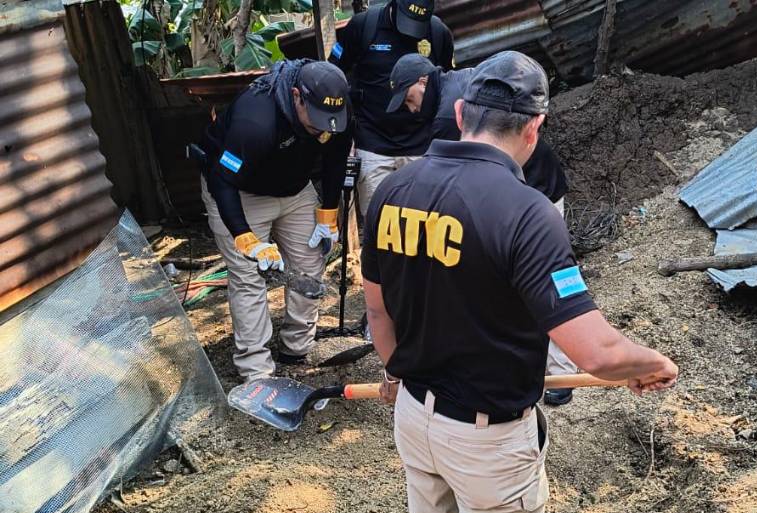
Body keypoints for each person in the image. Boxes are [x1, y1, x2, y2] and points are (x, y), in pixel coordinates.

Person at [361, 51, 679, 513]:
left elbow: (377, 309)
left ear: (461, 114)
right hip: (488, 439)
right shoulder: (527, 212)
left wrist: (398, 373)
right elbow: (597, 353)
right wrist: (651, 362)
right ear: (535, 127)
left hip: (414, 415)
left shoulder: (394, 190)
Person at [386, 52, 578, 406]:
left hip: (533, 194)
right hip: (510, 193)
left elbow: (452, 181)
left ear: (423, 82)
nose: (409, 109)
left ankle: (558, 371)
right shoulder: (463, 86)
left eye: (409, 99)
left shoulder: (450, 119)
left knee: (542, 283)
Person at [200, 59, 352, 380]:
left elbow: (336, 159)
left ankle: (296, 346)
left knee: (311, 262)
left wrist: (328, 213)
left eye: (331, 123)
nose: (326, 131)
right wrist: (246, 239)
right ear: (297, 96)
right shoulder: (255, 121)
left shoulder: (334, 112)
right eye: (318, 124)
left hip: (294, 189)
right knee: (248, 276)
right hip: (240, 192)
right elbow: (221, 180)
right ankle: (256, 368)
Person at [328, 0, 454, 218]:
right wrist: (343, 130)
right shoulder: (363, 26)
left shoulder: (437, 31)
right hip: (373, 144)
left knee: (424, 223)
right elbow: (332, 74)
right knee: (378, 223)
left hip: (421, 146)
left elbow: (446, 83)